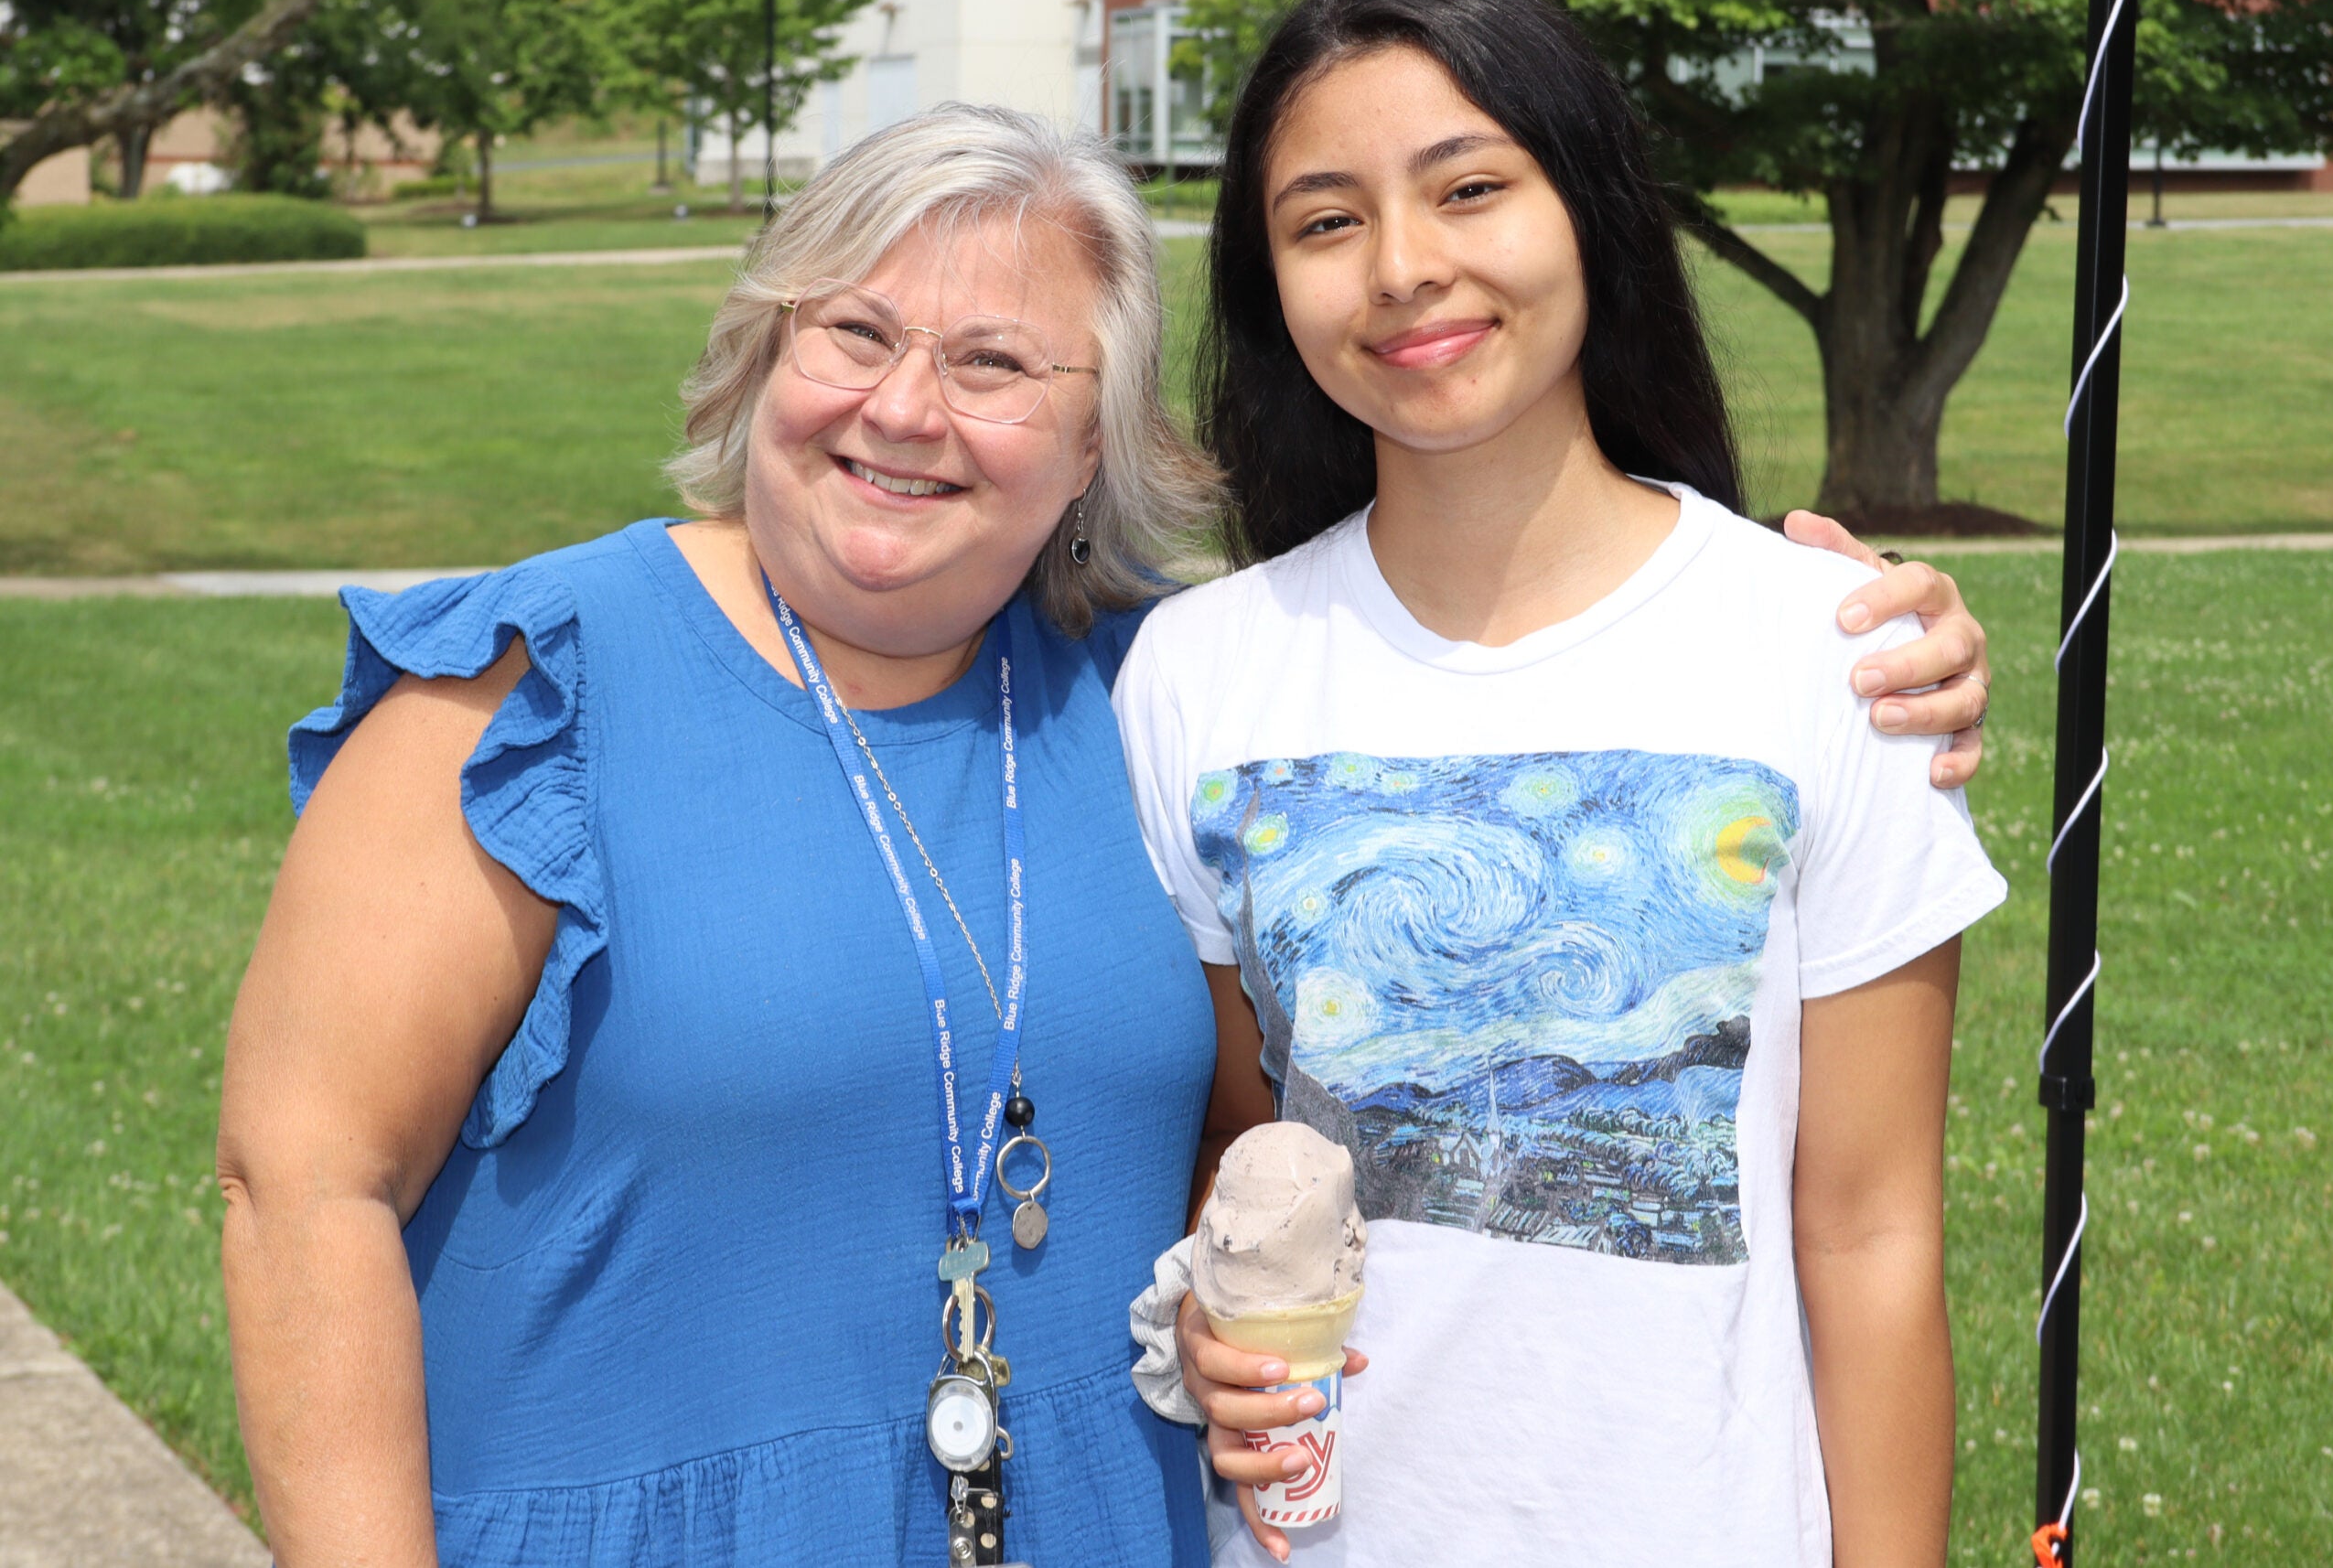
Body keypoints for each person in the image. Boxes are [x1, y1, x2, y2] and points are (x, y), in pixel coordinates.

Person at [217, 102, 1986, 1568]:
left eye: (995, 363)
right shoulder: (533, 689)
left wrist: (1827, 630)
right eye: (853, 333)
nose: (905, 409)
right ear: (762, 353)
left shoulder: (1143, 694)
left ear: (1093, 447)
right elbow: (303, 1188)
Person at [1115, 0, 2005, 1568]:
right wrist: (1212, 1329)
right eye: (1326, 220)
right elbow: (1234, 1160)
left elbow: (1871, 1232)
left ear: (1587, 207)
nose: (1401, 267)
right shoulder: (1197, 672)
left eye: (1469, 188)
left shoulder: (1830, 645)